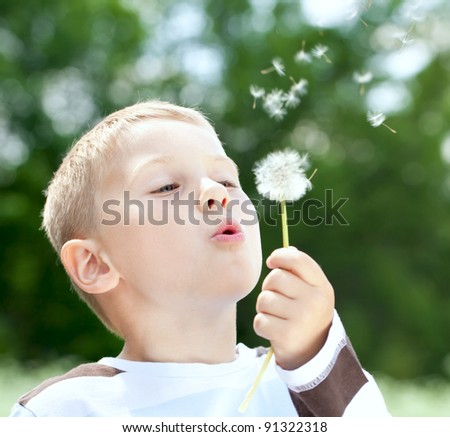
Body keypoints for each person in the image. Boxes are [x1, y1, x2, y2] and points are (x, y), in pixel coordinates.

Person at [10, 100, 389, 417]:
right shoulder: (64, 412)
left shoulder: (309, 382)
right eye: (167, 186)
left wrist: (317, 355)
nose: (216, 193)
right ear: (95, 264)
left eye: (227, 180)